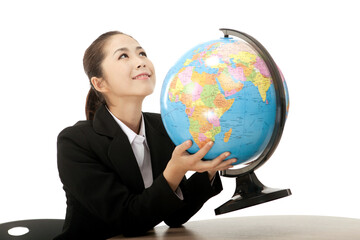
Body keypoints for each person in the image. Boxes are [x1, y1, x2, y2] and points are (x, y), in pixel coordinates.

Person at [55, 31, 236, 239]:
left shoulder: (164, 126)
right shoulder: (75, 142)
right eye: (123, 56)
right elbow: (127, 220)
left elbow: (175, 215)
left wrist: (210, 170)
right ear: (100, 84)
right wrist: (174, 172)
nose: (141, 62)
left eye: (142, 53)